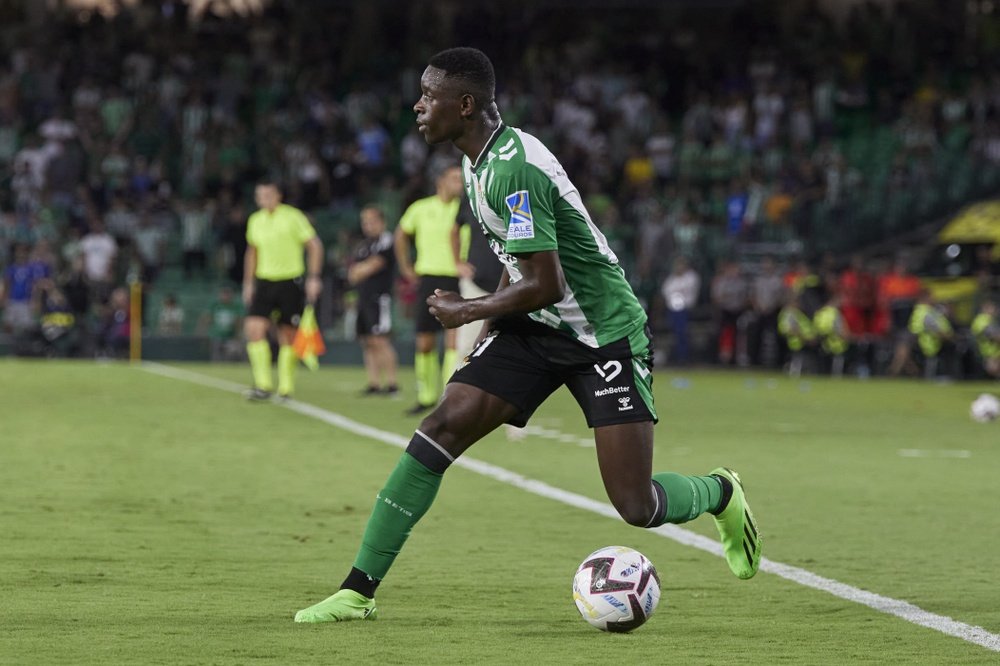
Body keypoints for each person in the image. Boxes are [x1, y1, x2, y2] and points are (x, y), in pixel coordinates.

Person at [294, 47, 762, 624]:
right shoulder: (477, 161)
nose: (417, 105)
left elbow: (544, 281)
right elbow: (515, 264)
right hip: (533, 329)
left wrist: (467, 311)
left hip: (603, 335)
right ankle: (357, 591)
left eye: (428, 95)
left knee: (635, 505)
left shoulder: (513, 167)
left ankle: (719, 492)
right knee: (440, 426)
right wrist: (489, 331)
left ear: (464, 105)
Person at [242, 180, 323, 401]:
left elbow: (314, 245)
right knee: (254, 328)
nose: (264, 199)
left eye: (268, 194)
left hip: (290, 280)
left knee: (287, 333)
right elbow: (252, 251)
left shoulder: (293, 216)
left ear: (278, 195)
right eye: (260, 195)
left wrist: (314, 278)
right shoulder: (255, 220)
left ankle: (286, 387)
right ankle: (263, 385)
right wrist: (248, 282)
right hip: (264, 281)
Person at [394, 164, 464, 414]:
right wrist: (405, 268)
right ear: (441, 181)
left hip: (457, 279)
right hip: (429, 278)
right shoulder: (421, 208)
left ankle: (448, 397)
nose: (460, 182)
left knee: (454, 342)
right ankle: (425, 396)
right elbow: (400, 235)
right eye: (455, 178)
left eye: (461, 178)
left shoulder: (466, 209)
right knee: (424, 341)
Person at [348, 205, 399, 396]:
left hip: (379, 298)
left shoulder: (386, 240)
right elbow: (353, 273)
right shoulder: (364, 245)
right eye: (365, 222)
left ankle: (393, 383)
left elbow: (372, 266)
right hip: (364, 298)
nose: (368, 225)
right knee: (367, 340)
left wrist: (359, 271)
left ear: (382, 222)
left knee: (380, 340)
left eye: (372, 221)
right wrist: (358, 272)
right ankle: (374, 382)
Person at [660, 255, 700, 365]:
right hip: (673, 310)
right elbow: (665, 292)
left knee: (683, 334)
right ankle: (677, 357)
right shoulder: (672, 278)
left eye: (681, 265)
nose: (679, 267)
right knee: (676, 334)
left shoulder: (691, 277)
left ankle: (684, 358)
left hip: (686, 310)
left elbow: (688, 291)